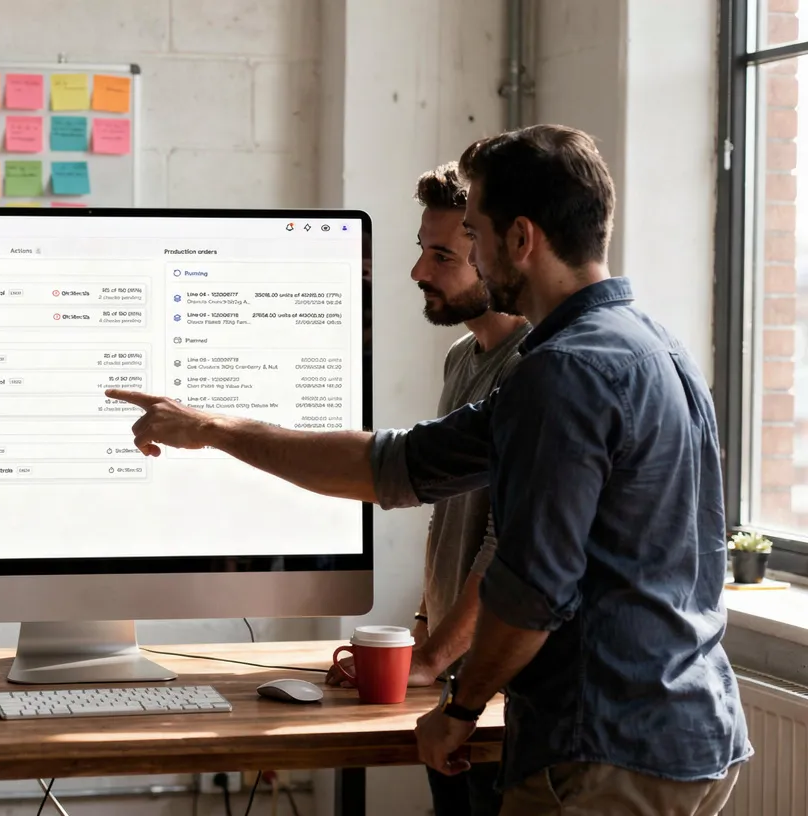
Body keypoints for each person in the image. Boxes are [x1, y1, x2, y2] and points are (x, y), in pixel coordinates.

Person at [107, 124, 750, 814]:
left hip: (606, 751)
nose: (444, 259)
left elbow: (531, 585)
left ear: (522, 239)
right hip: (693, 729)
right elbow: (392, 465)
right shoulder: (656, 349)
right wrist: (210, 428)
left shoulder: (562, 374)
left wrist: (461, 705)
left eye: (473, 232)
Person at [326, 161, 528, 816]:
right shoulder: (461, 358)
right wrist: (419, 633)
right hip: (451, 673)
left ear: (495, 254)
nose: (419, 271)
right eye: (422, 248)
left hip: (497, 689)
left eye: (442, 253)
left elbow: (506, 544)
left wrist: (433, 658)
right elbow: (454, 518)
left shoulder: (532, 369)